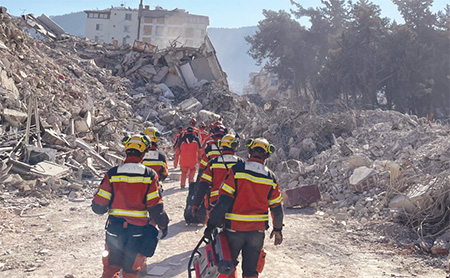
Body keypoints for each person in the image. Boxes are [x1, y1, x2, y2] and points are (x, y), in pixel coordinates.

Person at [92, 134, 169, 278]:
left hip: (114, 231)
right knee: (131, 272)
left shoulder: (112, 174)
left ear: (126, 151)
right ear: (144, 153)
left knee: (110, 270)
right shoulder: (150, 175)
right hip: (138, 233)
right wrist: (163, 225)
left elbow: (98, 207)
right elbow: (155, 207)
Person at [204, 138, 284, 278]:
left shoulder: (237, 170)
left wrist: (211, 225)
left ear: (250, 151)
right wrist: (277, 230)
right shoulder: (271, 177)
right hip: (257, 233)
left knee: (227, 266)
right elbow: (277, 208)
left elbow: (223, 202)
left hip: (234, 230)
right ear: (267, 155)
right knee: (251, 272)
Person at [192, 134, 244, 220]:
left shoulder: (213, 163)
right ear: (233, 145)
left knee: (212, 227)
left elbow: (203, 185)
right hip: (234, 203)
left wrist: (195, 205)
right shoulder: (240, 163)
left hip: (215, 202)